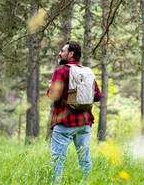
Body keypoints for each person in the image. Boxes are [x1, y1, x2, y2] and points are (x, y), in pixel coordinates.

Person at [47, 41, 101, 182]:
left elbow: (54, 96)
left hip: (64, 123)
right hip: (84, 123)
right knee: (84, 159)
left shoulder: (61, 71)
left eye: (63, 51)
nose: (60, 53)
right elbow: (98, 96)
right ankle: (87, 182)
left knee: (57, 161)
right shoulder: (87, 72)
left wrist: (49, 88)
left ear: (70, 54)